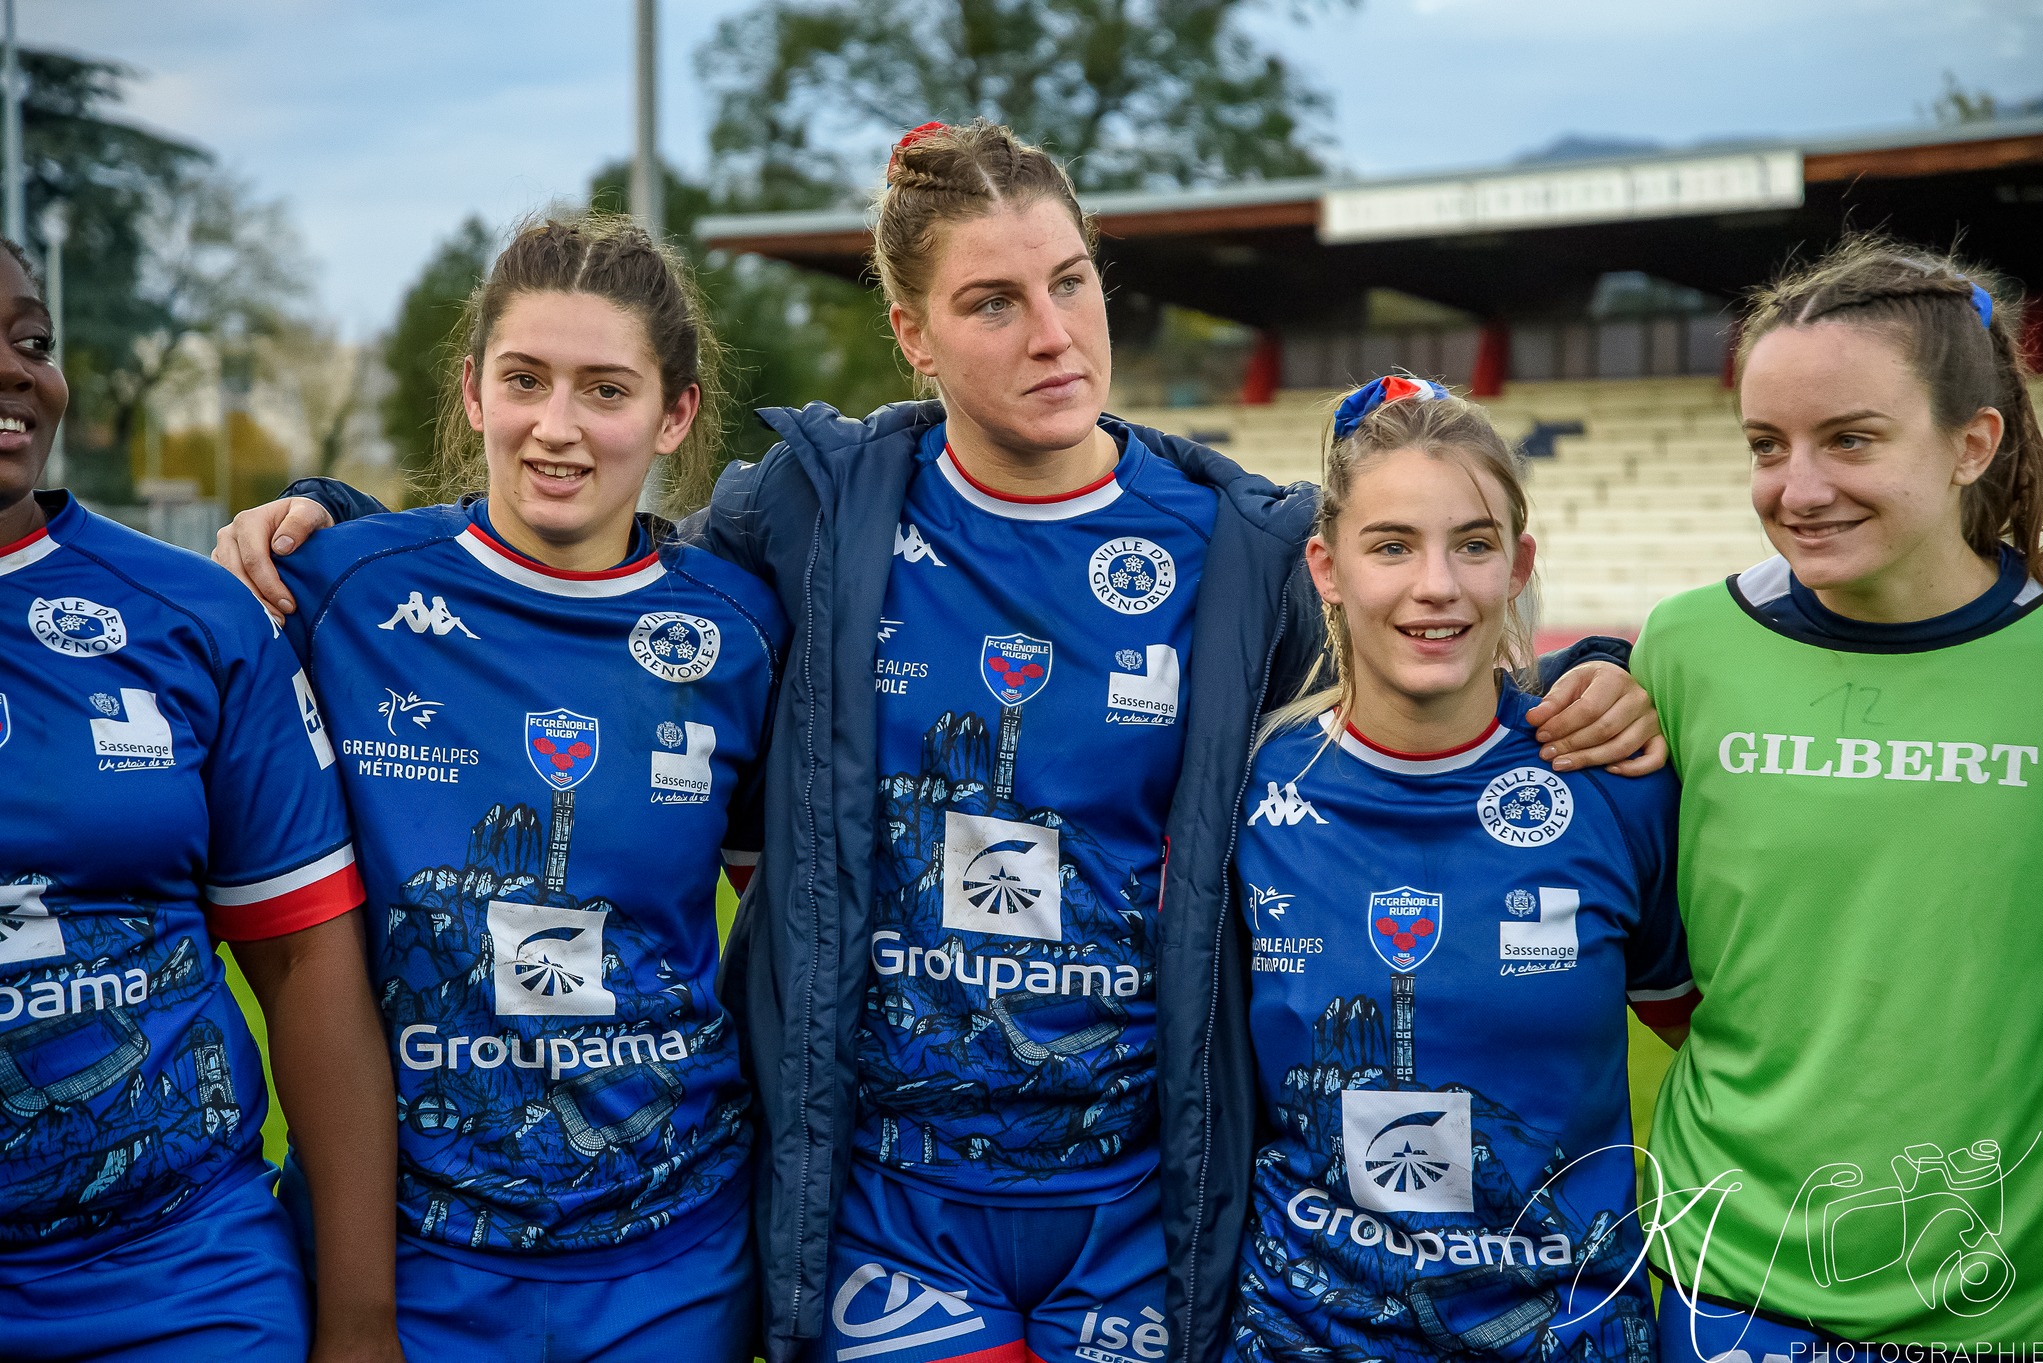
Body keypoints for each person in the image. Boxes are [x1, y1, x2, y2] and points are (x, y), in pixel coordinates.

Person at [214, 122, 1662, 1363]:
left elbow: (1417, 655)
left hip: (1133, 1205)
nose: (1050, 332)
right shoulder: (815, 515)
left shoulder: (1240, 549)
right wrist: (329, 529)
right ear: (911, 335)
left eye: (1071, 282)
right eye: (991, 301)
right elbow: (595, 574)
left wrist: (1591, 674)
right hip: (890, 1200)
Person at [224, 215, 784, 1362]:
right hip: (412, 1259)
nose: (558, 426)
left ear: (673, 415)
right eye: (525, 379)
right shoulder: (333, 591)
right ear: (474, 390)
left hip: (671, 1257)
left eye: (606, 389)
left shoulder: (738, 634)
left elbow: (782, 934)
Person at [1631, 236, 2043, 1355]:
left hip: (1993, 1311)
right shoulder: (1681, 648)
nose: (1796, 487)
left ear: (1971, 443)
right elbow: (1648, 940)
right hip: (1716, 1286)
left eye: (1849, 439)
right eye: (1765, 444)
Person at [1225, 377, 1695, 1362]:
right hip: (1303, 1335)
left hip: (1568, 1333)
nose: (1434, 584)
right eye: (1390, 545)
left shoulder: (1613, 781)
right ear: (1326, 568)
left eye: (1472, 545)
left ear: (1516, 564)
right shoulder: (1243, 790)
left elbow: (1708, 1042)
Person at [0, 238, 400, 1362]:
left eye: (33, 342)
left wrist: (361, 1320)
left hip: (180, 1282)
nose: (19, 371)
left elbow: (306, 964)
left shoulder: (193, 618)